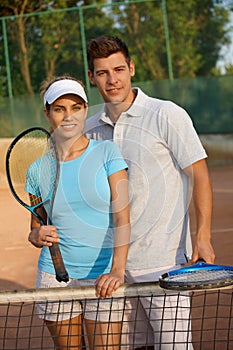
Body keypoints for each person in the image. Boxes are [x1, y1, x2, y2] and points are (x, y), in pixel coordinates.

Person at [84, 35, 215, 349]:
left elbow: (199, 174)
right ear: (92, 78)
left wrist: (203, 235)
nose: (112, 79)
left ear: (131, 68)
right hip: (109, 269)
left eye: (118, 69)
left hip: (163, 263)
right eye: (102, 73)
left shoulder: (166, 114)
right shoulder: (88, 130)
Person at [27, 75, 131, 350]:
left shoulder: (108, 152)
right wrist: (37, 235)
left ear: (86, 110)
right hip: (55, 277)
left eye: (76, 107)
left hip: (105, 276)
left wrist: (118, 271)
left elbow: (123, 216)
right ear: (47, 113)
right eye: (59, 109)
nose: (68, 116)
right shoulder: (36, 170)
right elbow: (35, 226)